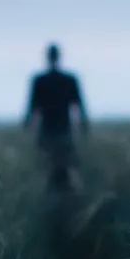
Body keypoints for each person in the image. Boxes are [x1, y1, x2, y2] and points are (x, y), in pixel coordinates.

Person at [23, 42, 89, 188]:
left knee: (50, 166)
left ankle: (56, 196)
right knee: (62, 165)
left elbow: (32, 108)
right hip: (61, 130)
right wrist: (84, 124)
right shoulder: (68, 80)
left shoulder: (41, 81)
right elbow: (79, 105)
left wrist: (27, 125)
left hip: (50, 130)